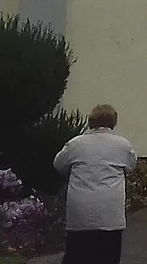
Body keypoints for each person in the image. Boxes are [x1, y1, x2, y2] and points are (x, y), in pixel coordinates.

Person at [54, 104, 137, 264]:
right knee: (108, 257)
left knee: (76, 256)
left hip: (80, 213)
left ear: (91, 121)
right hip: (110, 215)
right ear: (113, 122)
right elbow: (131, 166)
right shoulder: (122, 145)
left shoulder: (75, 144)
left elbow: (59, 165)